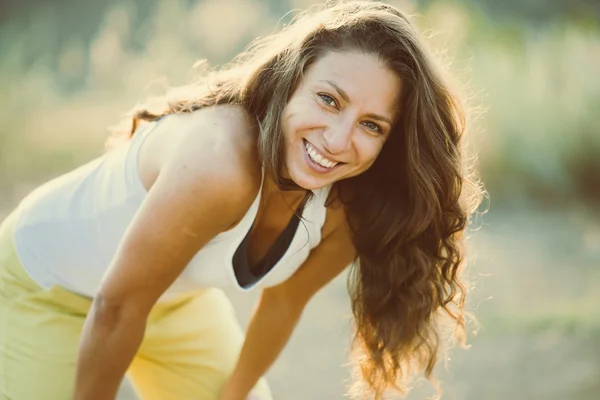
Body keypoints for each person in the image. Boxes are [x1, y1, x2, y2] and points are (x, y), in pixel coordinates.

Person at [0, 1, 485, 399]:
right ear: (290, 83)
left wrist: (232, 396)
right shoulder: (221, 164)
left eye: (371, 125)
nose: (337, 140)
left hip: (168, 302)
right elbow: (116, 307)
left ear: (390, 143)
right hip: (44, 284)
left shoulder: (348, 206)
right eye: (329, 100)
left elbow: (283, 304)